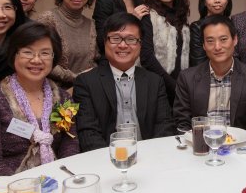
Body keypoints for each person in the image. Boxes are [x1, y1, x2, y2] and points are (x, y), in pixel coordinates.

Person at [0, 22, 79, 177]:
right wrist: (28, 186)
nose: (36, 60)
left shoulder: (63, 98)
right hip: (6, 185)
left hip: (55, 180)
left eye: (45, 53)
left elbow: (70, 146)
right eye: (28, 52)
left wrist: (61, 178)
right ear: (13, 55)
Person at [74, 12, 175, 151]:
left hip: (150, 157)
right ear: (104, 42)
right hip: (105, 159)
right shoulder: (86, 83)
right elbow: (88, 133)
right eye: (115, 38)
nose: (123, 45)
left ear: (140, 44)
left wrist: (151, 156)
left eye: (131, 39)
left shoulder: (154, 81)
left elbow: (164, 126)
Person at [173, 15, 246, 131]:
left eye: (223, 39)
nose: (217, 47)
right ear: (203, 45)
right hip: (200, 141)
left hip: (239, 141)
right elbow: (182, 124)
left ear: (235, 40)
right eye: (210, 41)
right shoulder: (187, 78)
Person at [37, 0, 99, 88]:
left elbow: (96, 61)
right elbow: (40, 59)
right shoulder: (47, 20)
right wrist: (76, 78)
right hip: (53, 93)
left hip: (86, 92)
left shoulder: (92, 25)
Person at [140, 0, 191, 103]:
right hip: (154, 89)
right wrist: (174, 87)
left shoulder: (181, 15)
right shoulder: (147, 13)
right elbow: (146, 58)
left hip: (179, 91)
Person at [189, 0, 233, 67]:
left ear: (227, 0)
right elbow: (197, 63)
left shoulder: (234, 24)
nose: (217, 0)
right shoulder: (197, 27)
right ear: (204, 2)